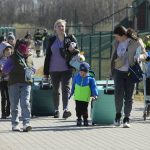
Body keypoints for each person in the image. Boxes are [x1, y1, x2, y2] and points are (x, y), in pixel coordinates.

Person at [111, 26, 147, 128]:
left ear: (123, 35)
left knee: (129, 96)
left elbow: (145, 54)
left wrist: (140, 57)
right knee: (118, 95)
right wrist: (111, 71)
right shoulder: (116, 43)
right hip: (118, 72)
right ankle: (118, 115)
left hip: (131, 72)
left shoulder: (136, 41)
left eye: (117, 36)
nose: (115, 38)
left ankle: (126, 118)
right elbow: (113, 58)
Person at [44, 19, 79, 119]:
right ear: (55, 28)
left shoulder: (70, 38)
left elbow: (78, 52)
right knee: (56, 90)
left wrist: (73, 50)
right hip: (53, 69)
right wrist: (46, 72)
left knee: (65, 89)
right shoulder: (51, 40)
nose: (61, 28)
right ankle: (56, 110)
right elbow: (48, 56)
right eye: (59, 26)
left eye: (62, 26)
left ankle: (65, 109)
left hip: (67, 69)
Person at [3, 39, 35, 132]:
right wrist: (9, 69)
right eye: (28, 47)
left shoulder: (29, 57)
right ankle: (15, 124)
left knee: (25, 103)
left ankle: (26, 123)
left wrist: (33, 70)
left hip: (26, 83)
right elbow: (5, 70)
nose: (29, 49)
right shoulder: (12, 57)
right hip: (14, 83)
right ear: (22, 47)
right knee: (14, 105)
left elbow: (32, 67)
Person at [0, 42, 12, 119]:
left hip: (10, 81)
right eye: (7, 50)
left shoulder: (11, 60)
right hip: (2, 81)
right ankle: (3, 113)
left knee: (9, 97)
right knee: (3, 97)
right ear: (2, 51)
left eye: (9, 50)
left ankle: (8, 111)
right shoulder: (0, 61)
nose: (8, 51)